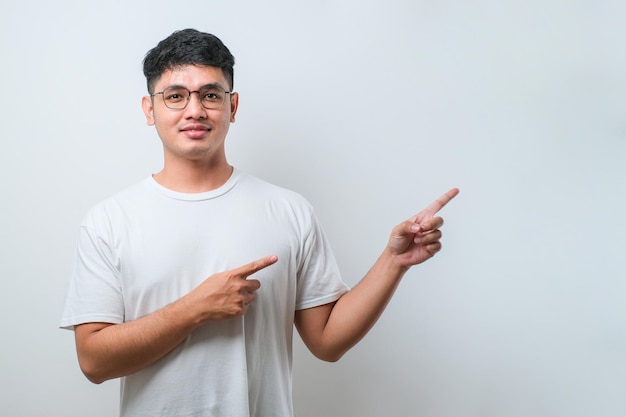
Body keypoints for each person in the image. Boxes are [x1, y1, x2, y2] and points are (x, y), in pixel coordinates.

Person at [60, 28, 459, 417]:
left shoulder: (288, 209)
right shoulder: (109, 221)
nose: (194, 110)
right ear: (151, 109)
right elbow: (94, 361)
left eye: (210, 95)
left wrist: (394, 263)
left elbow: (328, 342)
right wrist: (194, 309)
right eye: (176, 96)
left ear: (232, 106)